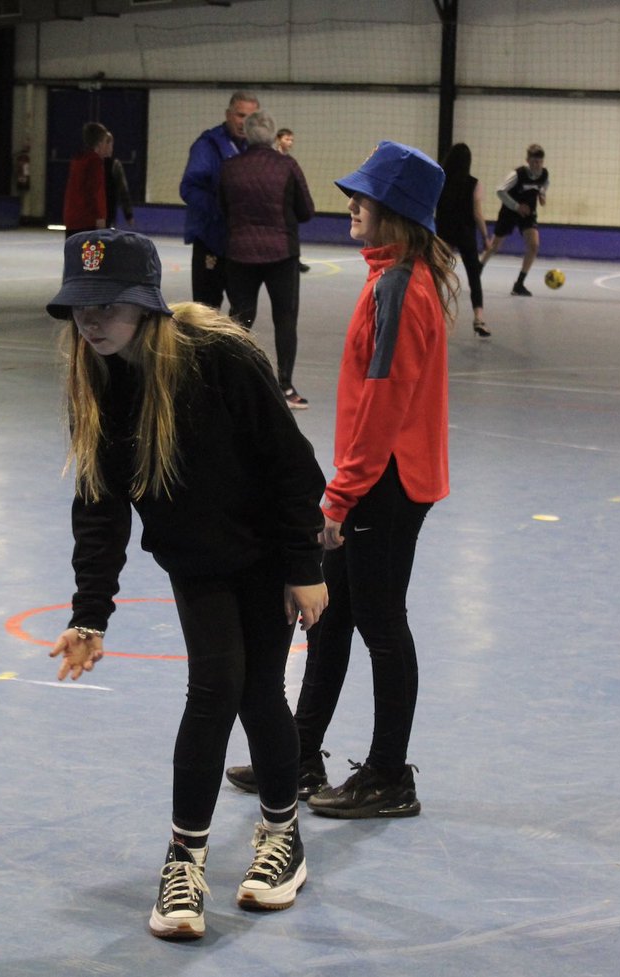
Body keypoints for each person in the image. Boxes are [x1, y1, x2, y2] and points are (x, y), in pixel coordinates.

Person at [47, 229, 328, 939]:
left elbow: (292, 467)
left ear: (145, 306)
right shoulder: (100, 380)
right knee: (215, 687)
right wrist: (90, 613)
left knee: (258, 690)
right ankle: (185, 859)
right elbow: (101, 510)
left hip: (266, 548)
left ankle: (281, 836)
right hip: (196, 560)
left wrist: (304, 566)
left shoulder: (219, 360)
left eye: (107, 306)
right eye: (81, 306)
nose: (90, 321)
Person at [226, 142, 455, 820]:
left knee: (382, 625)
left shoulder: (397, 288)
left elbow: (383, 407)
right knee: (330, 621)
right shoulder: (394, 276)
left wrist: (338, 496)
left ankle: (389, 773)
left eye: (366, 197)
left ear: (397, 212)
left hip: (385, 481)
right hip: (380, 476)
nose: (352, 204)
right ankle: (298, 752)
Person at [220, 110, 315, 409]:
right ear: (273, 136)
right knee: (285, 320)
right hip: (282, 255)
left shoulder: (229, 168)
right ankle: (285, 387)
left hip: (239, 254)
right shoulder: (287, 166)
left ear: (246, 134)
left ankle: (229, 382)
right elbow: (306, 210)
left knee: (239, 319)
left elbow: (221, 208)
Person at [179, 90, 259, 308]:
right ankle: (206, 345)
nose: (244, 123)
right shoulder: (207, 145)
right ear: (228, 114)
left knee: (244, 309)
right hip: (211, 241)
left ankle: (232, 344)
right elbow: (188, 188)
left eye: (250, 118)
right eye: (240, 115)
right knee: (206, 310)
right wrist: (222, 209)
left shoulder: (256, 148)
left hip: (243, 245)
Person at [479, 143, 549, 296]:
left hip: (528, 213)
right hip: (510, 211)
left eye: (540, 162)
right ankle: (477, 270)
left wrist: (542, 195)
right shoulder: (517, 174)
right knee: (495, 246)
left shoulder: (544, 174)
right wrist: (516, 206)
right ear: (528, 160)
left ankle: (519, 284)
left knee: (534, 246)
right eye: (534, 161)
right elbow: (500, 190)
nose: (537, 165)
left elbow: (543, 186)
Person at [436, 142, 490, 337]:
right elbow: (477, 213)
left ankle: (434, 314)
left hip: (443, 232)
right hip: (466, 233)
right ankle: (479, 318)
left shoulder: (439, 181)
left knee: (437, 275)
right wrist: (485, 236)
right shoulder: (474, 183)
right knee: (474, 277)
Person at [62, 122, 110, 237]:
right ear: (99, 144)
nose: (106, 146)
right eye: (105, 142)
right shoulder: (95, 162)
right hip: (87, 220)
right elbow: (96, 191)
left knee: (74, 253)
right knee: (91, 254)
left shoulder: (77, 160)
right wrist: (101, 216)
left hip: (72, 218)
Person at [275, 127, 310, 273]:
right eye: (287, 139)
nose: (290, 142)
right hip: (276, 204)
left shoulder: (290, 161)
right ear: (278, 139)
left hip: (288, 204)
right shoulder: (273, 159)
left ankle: (295, 260)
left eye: (291, 140)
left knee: (292, 232)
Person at [103, 132, 135, 229]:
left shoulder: (88, 163)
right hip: (107, 211)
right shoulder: (115, 165)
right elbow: (123, 191)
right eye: (111, 145)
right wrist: (128, 214)